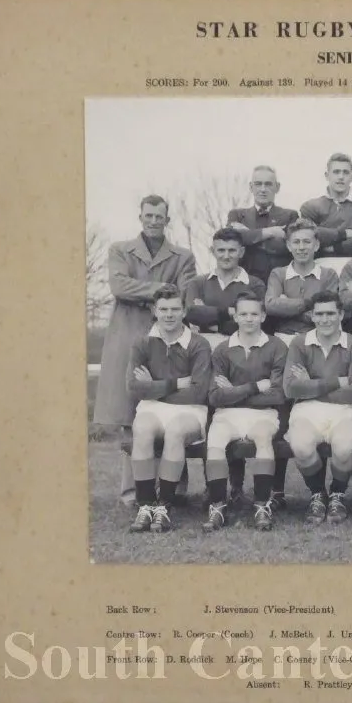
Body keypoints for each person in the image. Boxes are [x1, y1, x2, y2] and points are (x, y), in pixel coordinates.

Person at [94, 195, 196, 506]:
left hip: (170, 339)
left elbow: (186, 295)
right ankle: (131, 493)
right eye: (148, 215)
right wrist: (163, 291)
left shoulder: (183, 255)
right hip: (127, 338)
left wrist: (150, 294)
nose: (154, 220)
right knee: (131, 416)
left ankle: (174, 490)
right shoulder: (120, 250)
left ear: (168, 219)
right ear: (140, 217)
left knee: (173, 408)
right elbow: (119, 286)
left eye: (159, 216)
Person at [126, 287, 211, 533]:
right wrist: (174, 384)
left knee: (175, 431)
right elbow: (133, 388)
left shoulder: (198, 344)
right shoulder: (142, 343)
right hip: (152, 408)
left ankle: (163, 506)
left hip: (190, 410)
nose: (169, 315)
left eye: (175, 309)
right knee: (141, 427)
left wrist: (152, 385)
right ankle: (145, 505)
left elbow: (198, 391)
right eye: (163, 309)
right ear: (154, 311)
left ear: (184, 311)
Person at [204, 293, 288, 532]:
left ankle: (262, 505)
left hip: (264, 414)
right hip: (226, 414)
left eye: (254, 314)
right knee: (216, 441)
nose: (249, 319)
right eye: (243, 314)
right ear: (235, 315)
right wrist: (253, 387)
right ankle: (217, 506)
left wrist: (235, 391)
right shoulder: (222, 349)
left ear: (263, 316)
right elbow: (215, 396)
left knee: (263, 437)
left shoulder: (277, 346)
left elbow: (278, 394)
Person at [283, 292, 352, 525]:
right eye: (319, 314)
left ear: (341, 315)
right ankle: (318, 494)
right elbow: (290, 389)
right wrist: (338, 381)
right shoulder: (300, 343)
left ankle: (337, 494)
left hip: (345, 409)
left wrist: (310, 384)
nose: (325, 319)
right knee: (301, 447)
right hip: (306, 410)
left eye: (330, 313)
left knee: (344, 448)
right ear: (311, 316)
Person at [184, 227, 266, 349]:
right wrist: (232, 312)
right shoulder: (197, 283)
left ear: (241, 252)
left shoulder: (255, 284)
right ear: (213, 251)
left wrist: (213, 323)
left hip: (242, 347)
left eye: (232, 250)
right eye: (221, 250)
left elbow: (254, 324)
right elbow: (192, 316)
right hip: (204, 347)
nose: (226, 256)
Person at [265, 218, 340, 345]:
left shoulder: (328, 275)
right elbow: (270, 306)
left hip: (318, 340)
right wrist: (309, 304)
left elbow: (327, 314)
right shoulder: (278, 274)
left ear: (316, 245)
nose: (301, 247)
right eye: (296, 242)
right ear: (288, 246)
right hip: (283, 339)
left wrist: (286, 307)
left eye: (306, 242)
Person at [225, 165, 300, 284]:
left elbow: (286, 247)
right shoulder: (237, 215)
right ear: (251, 187)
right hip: (243, 282)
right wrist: (269, 232)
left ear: (277, 187)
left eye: (268, 184)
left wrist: (248, 235)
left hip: (279, 284)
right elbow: (232, 242)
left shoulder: (290, 215)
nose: (263, 189)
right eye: (258, 184)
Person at [300, 153, 352, 258]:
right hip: (320, 264)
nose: (341, 177)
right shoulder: (310, 206)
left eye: (345, 172)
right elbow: (308, 236)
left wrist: (334, 247)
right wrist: (345, 234)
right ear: (327, 175)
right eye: (336, 172)